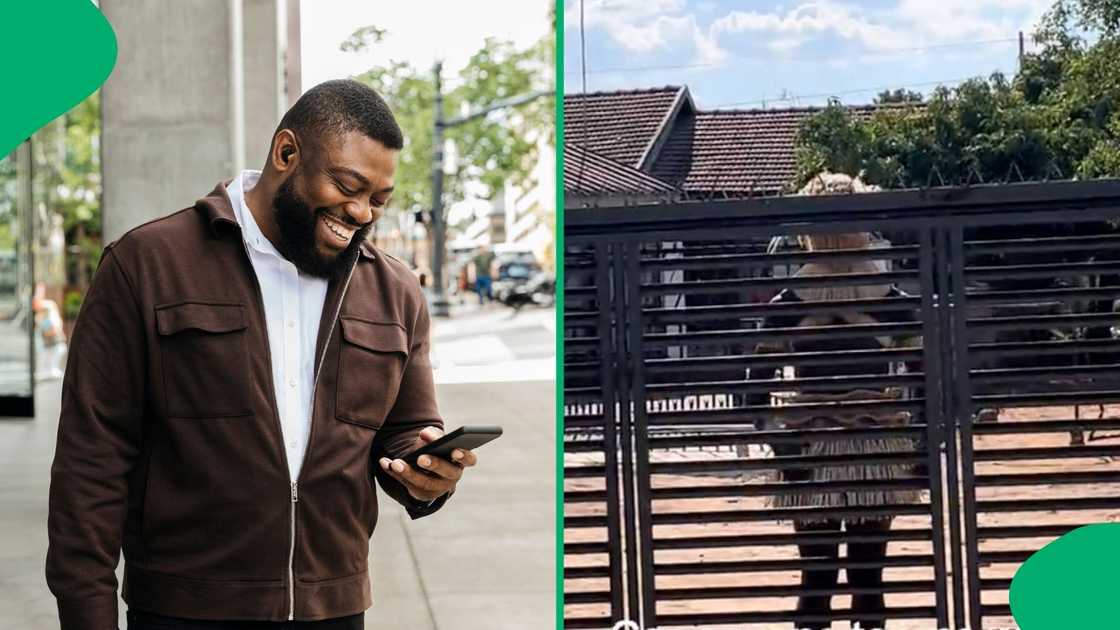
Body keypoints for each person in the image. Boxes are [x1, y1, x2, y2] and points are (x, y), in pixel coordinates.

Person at [46, 80, 480, 630]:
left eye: (378, 200)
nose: (361, 212)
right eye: (348, 186)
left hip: (334, 610)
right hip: (183, 610)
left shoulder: (394, 290)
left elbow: (405, 431)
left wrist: (426, 472)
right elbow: (91, 462)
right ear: (286, 153)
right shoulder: (147, 264)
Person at [32, 282, 67, 380]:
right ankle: (45, 370)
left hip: (52, 330)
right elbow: (37, 305)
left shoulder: (49, 304)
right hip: (47, 331)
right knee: (46, 351)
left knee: (58, 349)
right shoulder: (43, 306)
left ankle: (50, 369)